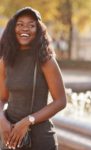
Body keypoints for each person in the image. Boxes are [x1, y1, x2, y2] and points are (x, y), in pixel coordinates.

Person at [0, 7, 67, 150]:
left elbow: (61, 101)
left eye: (31, 25)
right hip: (10, 138)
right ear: (13, 28)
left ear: (39, 30)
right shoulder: (5, 61)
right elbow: (2, 98)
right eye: (20, 24)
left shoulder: (46, 60)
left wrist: (28, 121)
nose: (25, 29)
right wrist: (1, 119)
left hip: (39, 140)